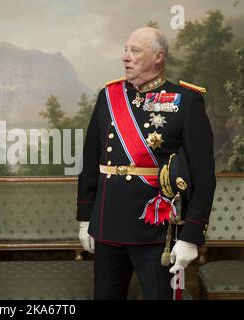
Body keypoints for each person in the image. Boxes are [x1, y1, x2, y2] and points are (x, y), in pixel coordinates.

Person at [77, 27, 216, 299]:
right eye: (125, 50)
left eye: (135, 51)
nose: (125, 57)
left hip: (157, 232)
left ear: (158, 57)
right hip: (108, 225)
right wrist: (85, 218)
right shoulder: (108, 97)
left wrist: (191, 235)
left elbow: (204, 177)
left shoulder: (186, 101)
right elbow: (91, 160)